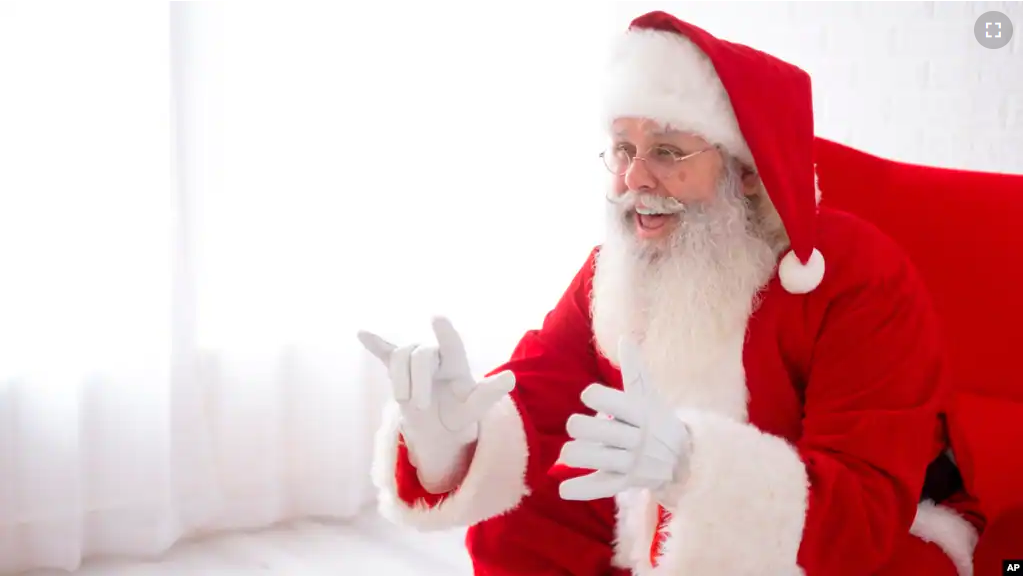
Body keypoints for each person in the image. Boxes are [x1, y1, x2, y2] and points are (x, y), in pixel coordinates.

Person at [357, 11, 982, 576]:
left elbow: (863, 509)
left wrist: (697, 469)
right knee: (526, 515)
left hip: (851, 540)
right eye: (623, 148)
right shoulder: (618, 266)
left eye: (665, 151)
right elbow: (539, 390)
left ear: (743, 170)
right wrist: (451, 442)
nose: (633, 178)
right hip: (661, 521)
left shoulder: (855, 272)